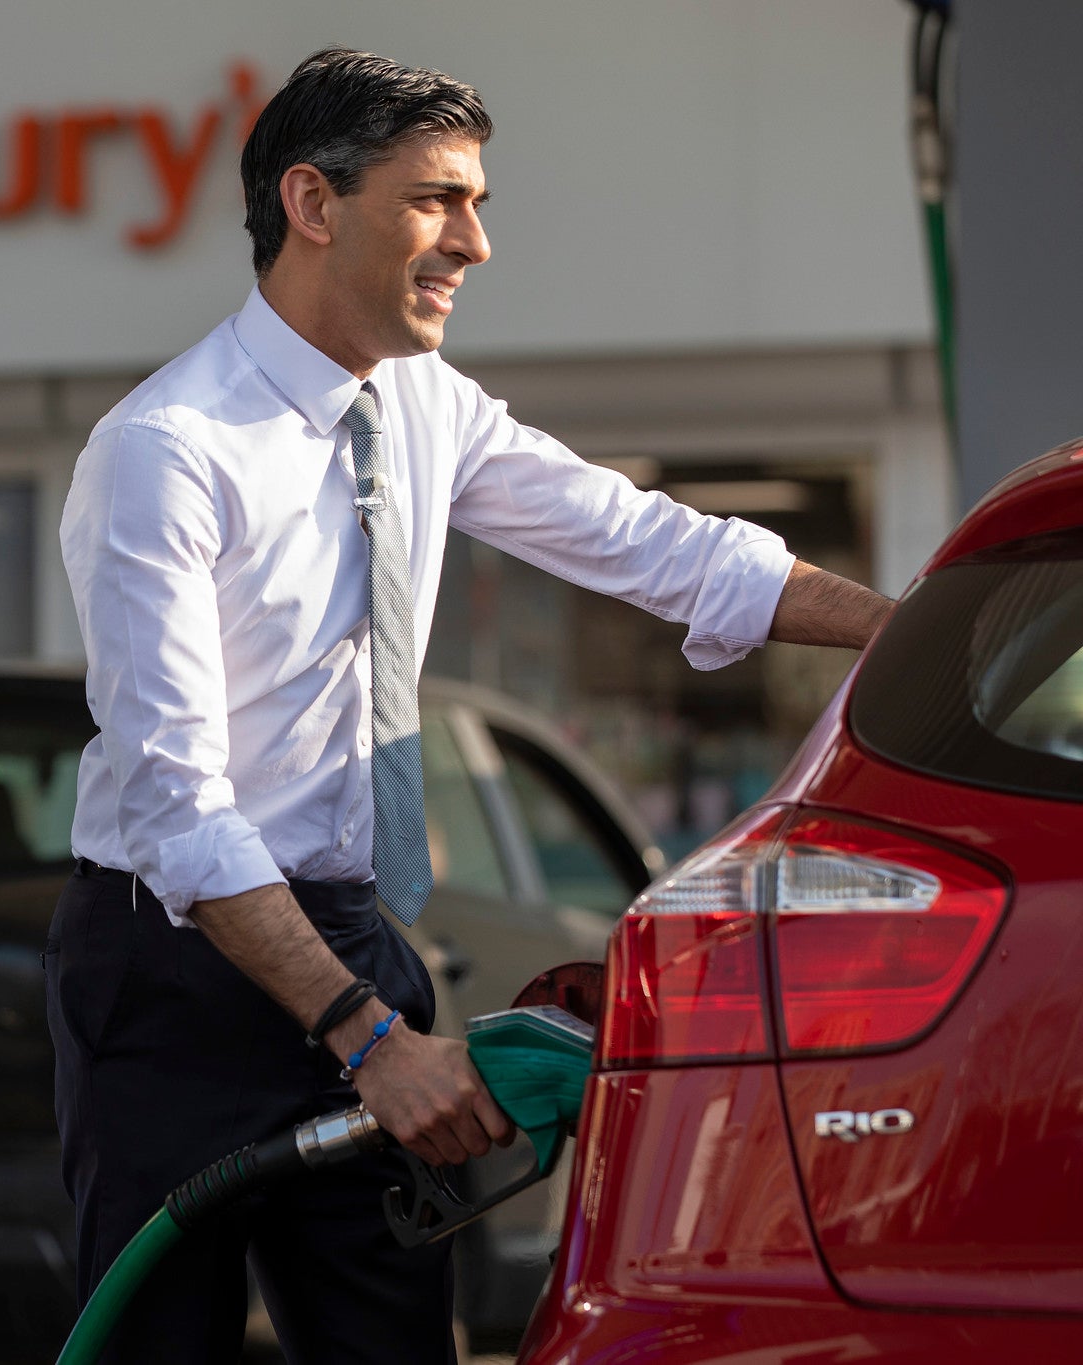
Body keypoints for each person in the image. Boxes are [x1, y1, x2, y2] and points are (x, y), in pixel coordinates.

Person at [48, 48, 893, 1364]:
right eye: (440, 199)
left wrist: (926, 633)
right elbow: (177, 808)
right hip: (174, 976)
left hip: (344, 930)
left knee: (393, 1343)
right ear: (314, 203)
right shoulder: (170, 451)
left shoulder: (426, 408)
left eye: (478, 201)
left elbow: (663, 548)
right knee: (164, 1345)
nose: (477, 242)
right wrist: (371, 1036)